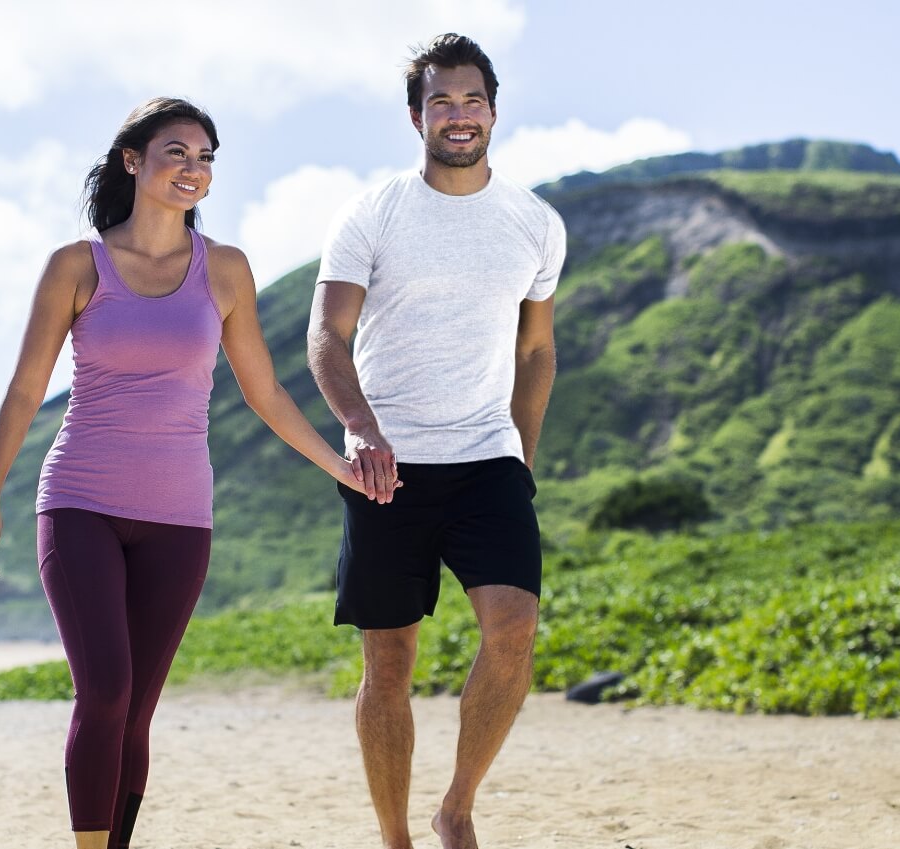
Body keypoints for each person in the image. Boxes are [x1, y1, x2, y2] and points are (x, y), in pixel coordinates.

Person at [0, 97, 366, 849]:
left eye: (206, 157)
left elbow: (266, 392)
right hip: (81, 501)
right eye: (177, 152)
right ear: (133, 161)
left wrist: (338, 466)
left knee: (137, 708)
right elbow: (24, 389)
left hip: (181, 518)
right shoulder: (78, 266)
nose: (193, 168)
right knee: (106, 688)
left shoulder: (227, 271)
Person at [307, 33, 565, 849]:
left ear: (494, 110)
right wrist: (363, 430)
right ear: (416, 115)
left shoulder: (534, 222)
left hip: (488, 458)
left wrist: (522, 454)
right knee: (389, 667)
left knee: (514, 625)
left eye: (472, 100)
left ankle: (456, 805)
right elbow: (326, 337)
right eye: (442, 102)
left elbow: (536, 348)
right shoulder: (373, 213)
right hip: (387, 466)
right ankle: (395, 837)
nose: (459, 116)